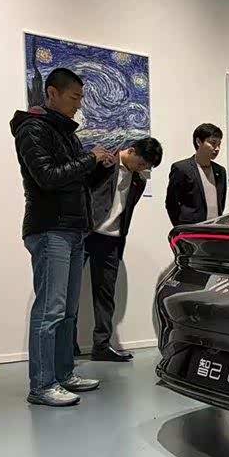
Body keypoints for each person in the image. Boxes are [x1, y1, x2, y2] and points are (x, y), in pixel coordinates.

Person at [11, 67, 115, 407]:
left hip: (73, 230)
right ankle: (42, 385)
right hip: (49, 229)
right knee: (50, 311)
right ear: (52, 93)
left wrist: (99, 166)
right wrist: (88, 159)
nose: (79, 104)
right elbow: (47, 177)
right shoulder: (32, 129)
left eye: (81, 98)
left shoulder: (67, 133)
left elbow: (77, 183)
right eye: (75, 97)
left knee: (68, 311)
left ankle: (63, 374)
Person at [83, 137, 163, 362]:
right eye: (142, 163)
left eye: (147, 167)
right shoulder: (104, 163)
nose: (143, 168)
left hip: (112, 240)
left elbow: (125, 210)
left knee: (105, 295)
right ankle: (67, 346)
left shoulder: (139, 181)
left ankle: (101, 346)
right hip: (85, 233)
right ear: (132, 150)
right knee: (70, 291)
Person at [166, 123, 227, 226]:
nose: (217, 148)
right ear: (198, 142)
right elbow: (171, 203)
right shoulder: (182, 169)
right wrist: (181, 228)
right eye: (213, 143)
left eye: (219, 144)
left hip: (215, 229)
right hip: (191, 230)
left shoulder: (220, 171)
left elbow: (221, 203)